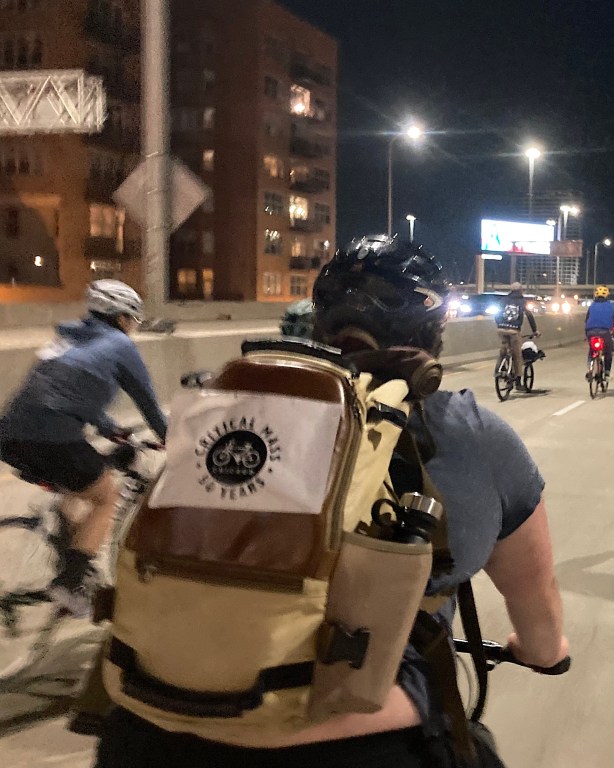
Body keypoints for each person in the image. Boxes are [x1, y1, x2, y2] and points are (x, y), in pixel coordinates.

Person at [94, 236, 568, 768]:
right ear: (433, 336)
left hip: (147, 725)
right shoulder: (472, 436)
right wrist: (543, 653)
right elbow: (535, 594)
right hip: (363, 739)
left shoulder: (229, 412)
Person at [0, 280, 167, 612]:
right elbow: (149, 406)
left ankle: (68, 549)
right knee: (106, 496)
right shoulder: (120, 346)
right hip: (51, 438)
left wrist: (110, 428)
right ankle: (70, 582)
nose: (133, 328)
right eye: (132, 320)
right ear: (121, 317)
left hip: (8, 437)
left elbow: (64, 397)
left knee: (76, 486)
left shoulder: (69, 339)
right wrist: (175, 441)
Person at [495, 282, 538, 392]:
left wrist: (500, 325)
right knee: (517, 355)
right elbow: (529, 315)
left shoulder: (503, 300)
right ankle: (518, 381)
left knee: (504, 348)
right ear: (520, 290)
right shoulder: (522, 301)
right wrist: (535, 330)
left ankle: (498, 370)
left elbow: (496, 314)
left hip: (501, 329)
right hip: (514, 330)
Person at [585, 285, 614, 378]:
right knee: (608, 352)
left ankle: (590, 369)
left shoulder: (592, 306)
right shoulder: (610, 306)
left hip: (590, 331)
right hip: (605, 332)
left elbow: (586, 319)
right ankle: (607, 372)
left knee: (591, 351)